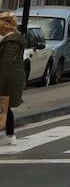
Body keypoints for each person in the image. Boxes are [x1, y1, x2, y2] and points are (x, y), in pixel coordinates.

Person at [0, 11, 24, 146]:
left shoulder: (11, 42)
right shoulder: (11, 40)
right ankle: (9, 134)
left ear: (6, 26)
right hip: (10, 79)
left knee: (4, 106)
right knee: (4, 106)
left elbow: (5, 65)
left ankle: (10, 135)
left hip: (8, 80)